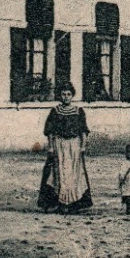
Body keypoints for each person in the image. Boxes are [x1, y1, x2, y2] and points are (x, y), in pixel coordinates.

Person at [38, 83, 93, 214]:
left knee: (74, 174)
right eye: (63, 94)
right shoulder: (55, 111)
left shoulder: (79, 111)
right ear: (60, 95)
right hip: (59, 144)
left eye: (68, 94)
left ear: (72, 95)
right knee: (60, 173)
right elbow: (50, 131)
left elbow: (83, 131)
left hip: (74, 144)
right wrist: (51, 146)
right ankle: (61, 202)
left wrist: (83, 146)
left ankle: (74, 202)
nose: (66, 97)